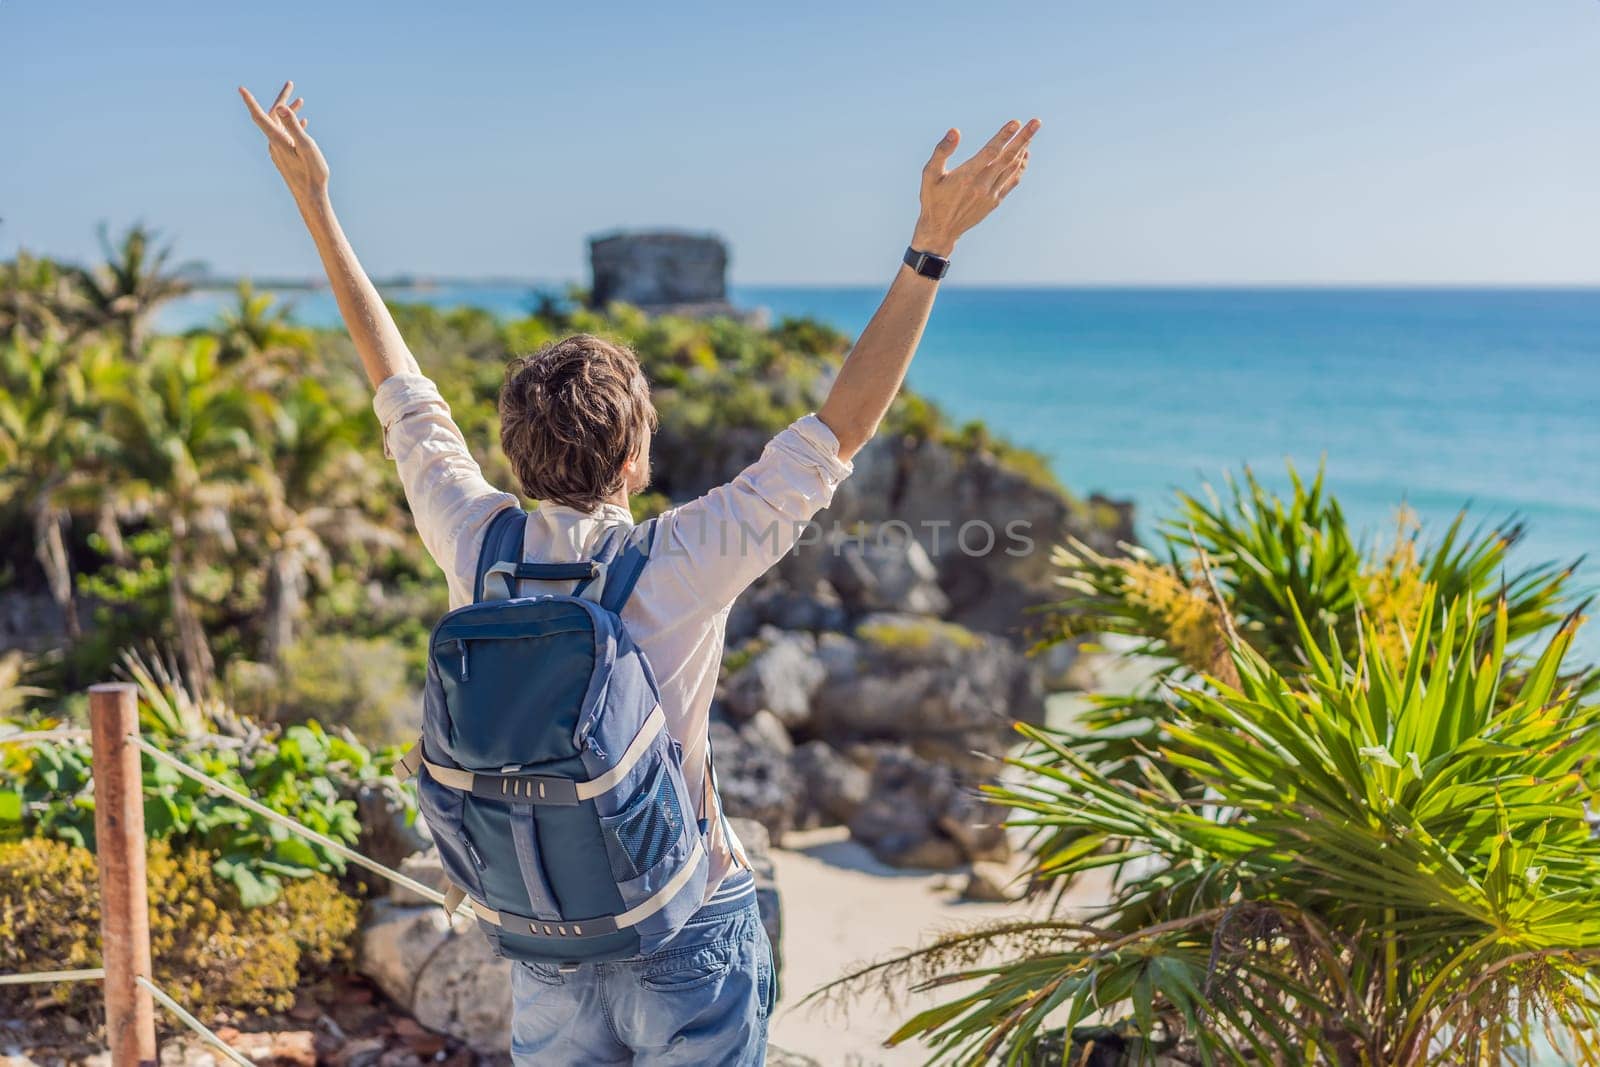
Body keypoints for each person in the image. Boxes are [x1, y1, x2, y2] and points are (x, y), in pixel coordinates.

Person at [239, 79, 1038, 1066]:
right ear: (636, 462)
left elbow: (400, 391)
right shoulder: (681, 558)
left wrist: (315, 200)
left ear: (513, 451)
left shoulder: (475, 541)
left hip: (542, 935)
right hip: (683, 923)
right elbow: (842, 427)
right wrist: (931, 245)